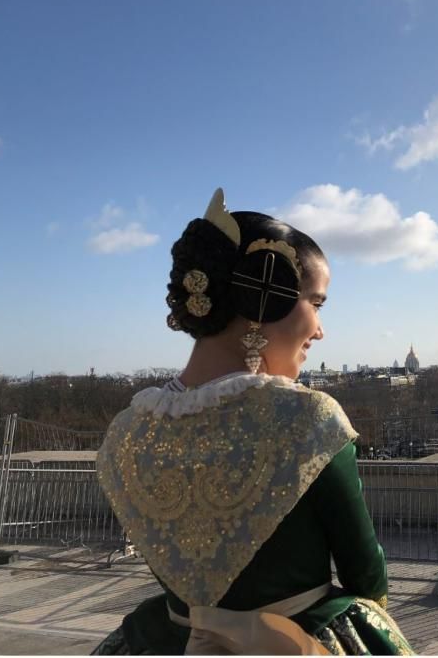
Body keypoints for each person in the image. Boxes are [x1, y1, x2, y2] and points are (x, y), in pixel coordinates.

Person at [93, 189, 413, 655]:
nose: (320, 330)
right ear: (266, 298)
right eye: (317, 304)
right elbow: (366, 574)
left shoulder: (124, 432)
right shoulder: (309, 421)